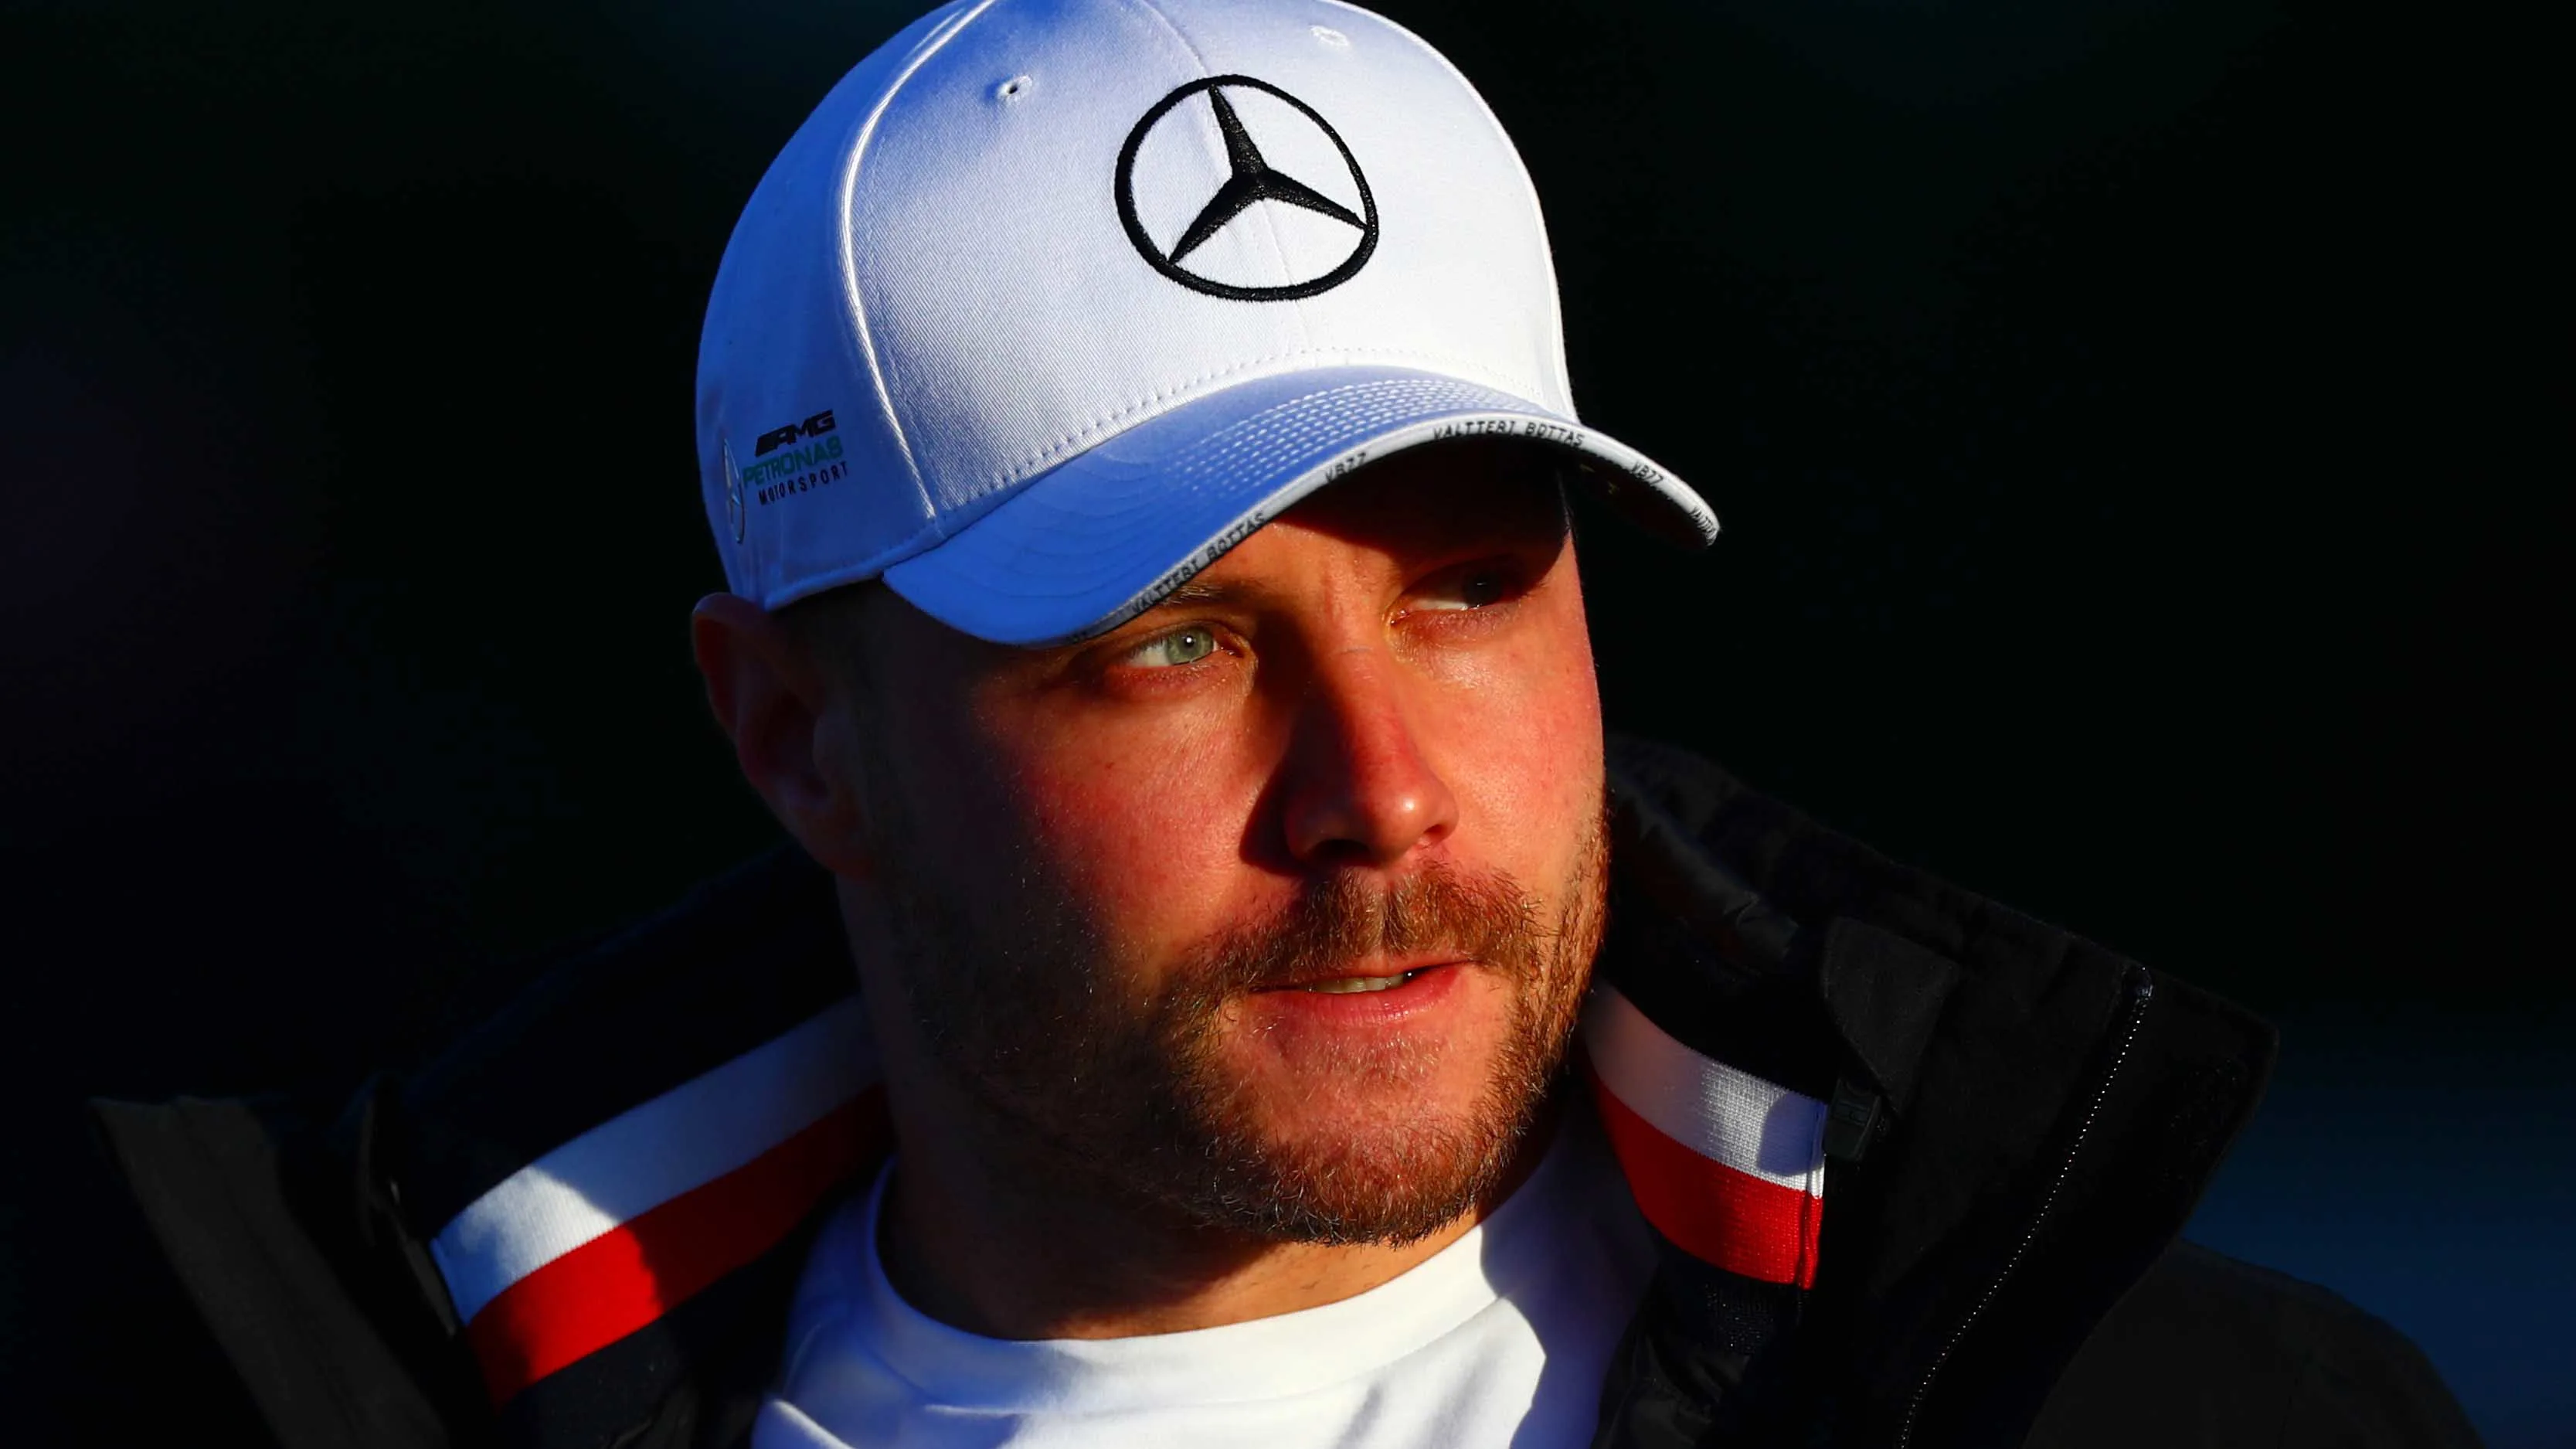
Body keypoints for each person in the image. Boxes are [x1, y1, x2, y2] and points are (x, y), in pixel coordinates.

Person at [97, 2, 2481, 1446]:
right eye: (1172, 644)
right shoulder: (287, 1418)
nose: (1383, 795)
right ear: (796, 738)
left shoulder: (2194, 1434)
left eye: (1466, 591)